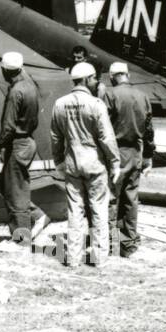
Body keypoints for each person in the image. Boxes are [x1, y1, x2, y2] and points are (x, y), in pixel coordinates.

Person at [50, 61, 120, 267]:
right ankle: (99, 258)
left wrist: (59, 161)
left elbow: (55, 137)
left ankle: (73, 258)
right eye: (95, 79)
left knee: (75, 212)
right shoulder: (96, 104)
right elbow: (107, 138)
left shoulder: (60, 104)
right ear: (88, 79)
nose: (96, 82)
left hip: (72, 163)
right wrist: (115, 163)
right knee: (99, 210)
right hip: (94, 164)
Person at [104, 62, 154, 257]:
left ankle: (106, 244)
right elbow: (149, 131)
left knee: (109, 199)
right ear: (127, 75)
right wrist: (148, 156)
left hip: (115, 153)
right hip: (136, 152)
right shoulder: (143, 96)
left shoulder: (109, 95)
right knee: (131, 199)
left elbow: (103, 128)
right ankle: (129, 245)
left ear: (112, 76)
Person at [0, 50, 41, 242]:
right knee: (6, 185)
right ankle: (37, 216)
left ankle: (21, 237)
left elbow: (9, 126)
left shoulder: (16, 91)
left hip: (17, 143)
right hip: (27, 141)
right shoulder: (31, 86)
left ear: (7, 71)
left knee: (16, 191)